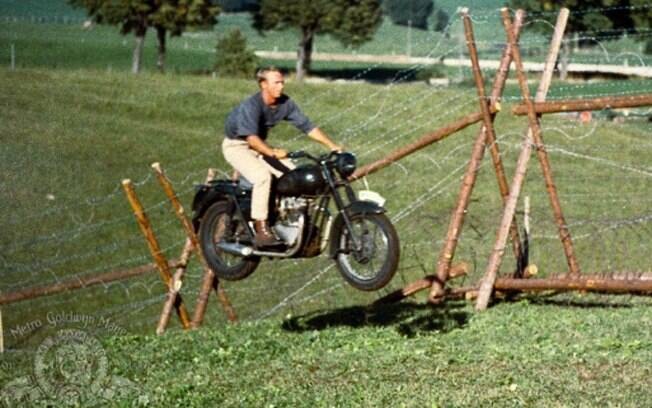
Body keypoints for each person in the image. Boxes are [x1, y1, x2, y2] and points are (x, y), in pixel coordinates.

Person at [222, 67, 343, 247]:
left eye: (282, 82)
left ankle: (289, 221)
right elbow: (251, 139)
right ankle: (261, 228)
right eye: (276, 83)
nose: (281, 86)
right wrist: (271, 153)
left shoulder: (285, 104)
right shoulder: (252, 106)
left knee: (294, 175)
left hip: (260, 146)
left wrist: (332, 146)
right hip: (238, 146)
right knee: (262, 176)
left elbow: (307, 126)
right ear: (263, 84)